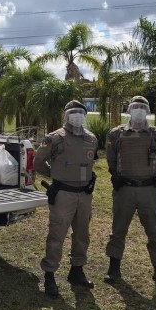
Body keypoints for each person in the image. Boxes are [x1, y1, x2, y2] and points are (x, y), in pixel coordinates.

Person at [104, 95, 156, 291]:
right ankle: (114, 267)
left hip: (149, 190)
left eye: (142, 107)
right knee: (118, 229)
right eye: (134, 107)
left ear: (147, 111)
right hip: (124, 190)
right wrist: (116, 175)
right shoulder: (116, 134)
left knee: (155, 231)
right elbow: (110, 159)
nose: (138, 111)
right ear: (129, 111)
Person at [33, 100, 99, 297]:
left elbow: (90, 162)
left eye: (81, 112)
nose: (77, 116)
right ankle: (50, 275)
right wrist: (56, 175)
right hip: (64, 194)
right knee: (57, 235)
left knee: (82, 234)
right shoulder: (54, 138)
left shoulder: (91, 138)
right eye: (73, 112)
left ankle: (77, 270)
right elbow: (38, 162)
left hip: (84, 194)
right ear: (65, 116)